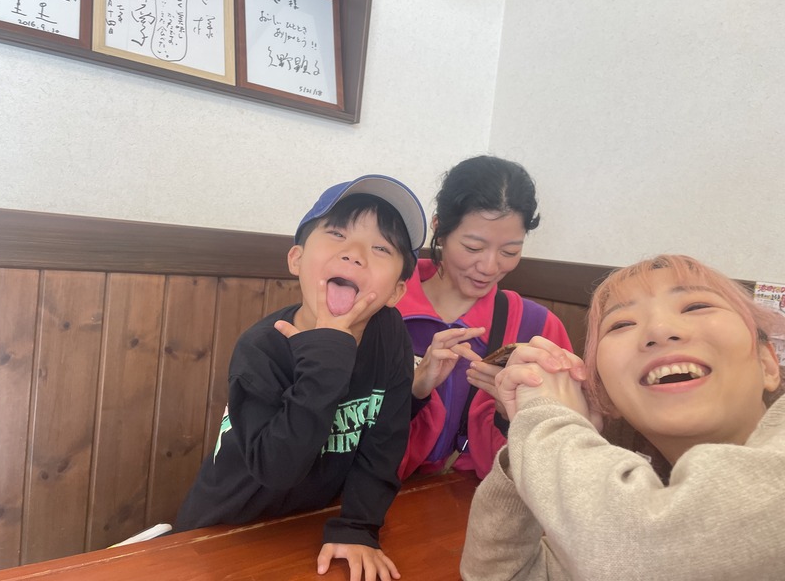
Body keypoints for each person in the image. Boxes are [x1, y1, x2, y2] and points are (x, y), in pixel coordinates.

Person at [461, 254, 785, 580]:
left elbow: (652, 551)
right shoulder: (624, 516)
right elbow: (501, 574)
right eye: (622, 324)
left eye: (695, 306)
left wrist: (547, 424)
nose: (659, 330)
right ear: (605, 396)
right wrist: (532, 445)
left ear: (768, 364)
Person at [174, 175, 427, 581]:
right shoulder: (261, 347)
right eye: (337, 234)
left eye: (381, 248)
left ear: (397, 291)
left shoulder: (390, 334)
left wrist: (358, 526)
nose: (355, 254)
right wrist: (328, 355)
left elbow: (385, 441)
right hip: (226, 527)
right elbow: (276, 470)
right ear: (296, 259)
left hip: (307, 526)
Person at [396, 155, 573, 479]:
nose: (490, 267)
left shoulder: (537, 328)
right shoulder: (381, 305)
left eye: (509, 252)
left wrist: (510, 414)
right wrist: (411, 393)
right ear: (439, 228)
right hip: (370, 494)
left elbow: (563, 449)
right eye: (473, 247)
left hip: (482, 496)